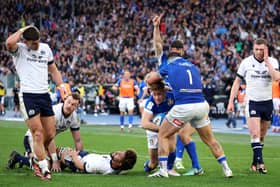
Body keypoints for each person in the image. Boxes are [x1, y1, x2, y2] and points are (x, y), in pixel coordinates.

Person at [148, 14, 232, 178]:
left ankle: (164, 170)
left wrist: (156, 27)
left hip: (182, 106)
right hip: (201, 105)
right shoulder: (192, 66)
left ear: (171, 52)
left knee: (163, 135)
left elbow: (156, 51)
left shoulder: (167, 64)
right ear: (181, 52)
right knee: (208, 139)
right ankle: (226, 168)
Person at [5, 25, 71, 180]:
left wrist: (61, 86)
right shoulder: (19, 49)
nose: (36, 44)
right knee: (38, 132)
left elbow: (53, 70)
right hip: (28, 95)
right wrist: (23, 30)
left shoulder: (45, 48)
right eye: (33, 42)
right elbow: (9, 42)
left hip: (44, 95)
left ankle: (34, 157)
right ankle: (42, 168)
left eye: (38, 41)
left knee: (50, 133)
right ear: (25, 41)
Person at [227, 38, 280, 174]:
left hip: (267, 102)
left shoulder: (272, 61)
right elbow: (237, 82)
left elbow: (276, 78)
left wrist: (267, 61)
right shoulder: (246, 62)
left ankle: (254, 162)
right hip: (252, 102)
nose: (258, 52)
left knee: (261, 136)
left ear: (266, 49)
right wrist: (230, 101)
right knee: (255, 133)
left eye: (261, 49)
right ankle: (261, 163)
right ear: (253, 49)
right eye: (256, 49)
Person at [7, 93, 83, 171]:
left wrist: (81, 157)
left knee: (62, 162)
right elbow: (50, 136)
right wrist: (55, 160)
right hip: (33, 139)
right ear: (64, 100)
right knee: (45, 166)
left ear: (77, 107)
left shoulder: (75, 118)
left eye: (73, 104)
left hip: (46, 142)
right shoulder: (54, 112)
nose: (70, 105)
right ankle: (18, 157)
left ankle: (31, 156)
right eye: (69, 102)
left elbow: (78, 140)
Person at [141, 81, 203, 176]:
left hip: (168, 125)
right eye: (154, 94)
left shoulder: (172, 96)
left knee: (172, 146)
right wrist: (163, 128)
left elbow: (183, 95)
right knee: (153, 163)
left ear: (165, 92)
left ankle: (169, 168)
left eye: (159, 94)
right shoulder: (150, 103)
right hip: (154, 130)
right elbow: (144, 124)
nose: (157, 97)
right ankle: (148, 166)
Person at [57, 147, 137, 175]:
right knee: (59, 163)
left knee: (58, 151)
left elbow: (80, 166)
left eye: (120, 155)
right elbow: (125, 169)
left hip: (78, 161)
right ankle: (59, 163)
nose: (118, 152)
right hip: (86, 155)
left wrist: (74, 156)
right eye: (122, 151)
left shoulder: (101, 166)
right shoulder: (118, 167)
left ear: (119, 163)